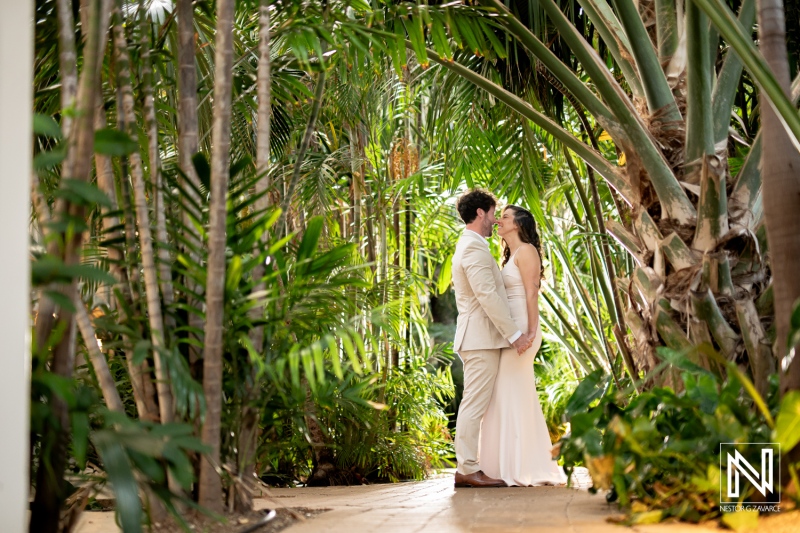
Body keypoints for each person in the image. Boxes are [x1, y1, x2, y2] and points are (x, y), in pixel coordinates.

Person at [451, 190, 534, 488]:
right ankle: (468, 469)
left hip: (481, 338)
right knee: (473, 404)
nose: (495, 219)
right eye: (493, 213)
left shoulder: (473, 245)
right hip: (480, 339)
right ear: (480, 214)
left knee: (477, 404)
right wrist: (514, 335)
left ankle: (471, 466)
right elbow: (486, 295)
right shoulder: (472, 248)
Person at [479, 204, 567, 487]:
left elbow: (531, 292)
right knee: (506, 395)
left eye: (504, 217)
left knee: (512, 394)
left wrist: (529, 332)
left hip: (522, 330)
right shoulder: (510, 256)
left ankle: (520, 466)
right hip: (510, 331)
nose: (498, 221)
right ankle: (502, 465)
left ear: (517, 224)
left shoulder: (526, 251)